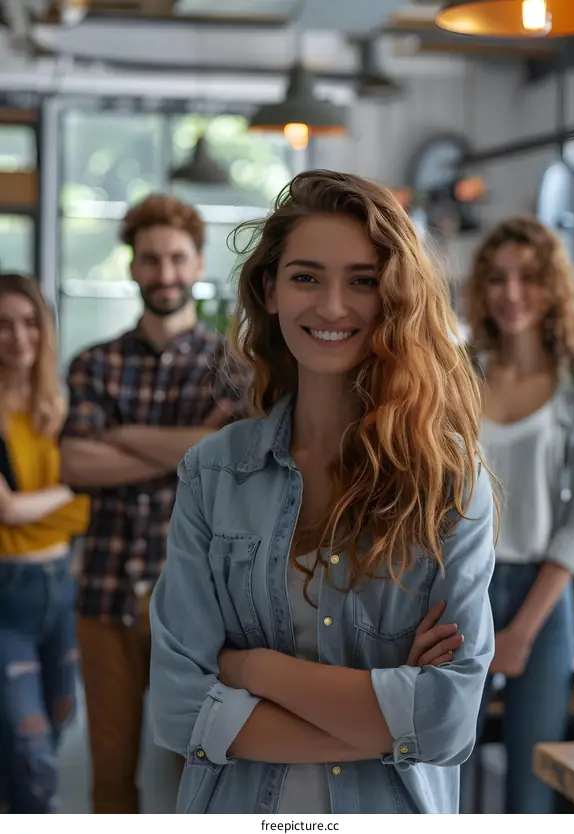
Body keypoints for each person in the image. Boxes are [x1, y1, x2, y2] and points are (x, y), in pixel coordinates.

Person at [149, 169, 496, 814]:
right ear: (270, 291)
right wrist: (392, 720)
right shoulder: (213, 474)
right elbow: (177, 709)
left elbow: (448, 723)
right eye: (306, 276)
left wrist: (250, 670)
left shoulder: (448, 482)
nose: (333, 306)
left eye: (362, 281)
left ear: (394, 298)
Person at [59, 194, 248, 814]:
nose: (164, 274)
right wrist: (189, 445)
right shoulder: (94, 362)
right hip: (104, 592)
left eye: (176, 258)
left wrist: (119, 435)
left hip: (194, 599)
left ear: (196, 263)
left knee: (197, 772)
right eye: (150, 260)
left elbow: (229, 458)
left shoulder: (231, 368)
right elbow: (72, 462)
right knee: (110, 779)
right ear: (132, 266)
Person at [462, 216, 574, 814]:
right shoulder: (456, 377)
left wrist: (518, 632)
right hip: (462, 584)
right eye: (497, 278)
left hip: (543, 600)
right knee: (446, 771)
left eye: (529, 278)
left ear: (553, 288)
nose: (512, 292)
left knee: (532, 787)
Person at [0, 274, 90, 813]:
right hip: (6, 594)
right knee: (32, 749)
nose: (19, 337)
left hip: (62, 591)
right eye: (4, 325)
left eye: (30, 322)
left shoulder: (60, 405)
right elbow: (5, 509)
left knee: (57, 722)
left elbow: (85, 506)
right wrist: (75, 490)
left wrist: (58, 501)